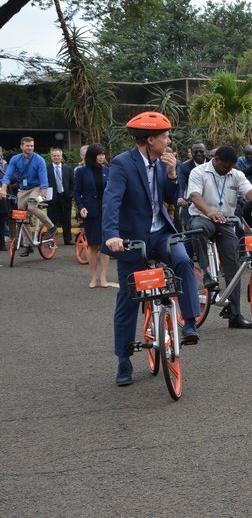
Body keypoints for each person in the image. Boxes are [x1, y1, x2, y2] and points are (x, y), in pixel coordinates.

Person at [102, 112, 201, 386]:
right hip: (133, 239)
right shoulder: (122, 164)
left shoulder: (162, 163)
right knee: (128, 299)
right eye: (165, 137)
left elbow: (171, 198)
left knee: (183, 261)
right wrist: (112, 235)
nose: (169, 141)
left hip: (161, 234)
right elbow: (111, 201)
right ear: (150, 140)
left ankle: (190, 323)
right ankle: (123, 360)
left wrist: (172, 174)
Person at [188, 146, 252, 328]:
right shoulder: (199, 172)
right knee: (197, 229)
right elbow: (195, 196)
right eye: (225, 166)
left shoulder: (236, 174)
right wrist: (209, 212)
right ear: (216, 159)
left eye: (231, 167)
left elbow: (250, 192)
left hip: (225, 222)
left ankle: (234, 314)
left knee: (234, 266)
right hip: (203, 217)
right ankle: (206, 273)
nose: (228, 170)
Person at [0, 136, 55, 256]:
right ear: (21, 146)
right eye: (27, 145)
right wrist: (3, 189)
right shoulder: (15, 159)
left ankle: (51, 227)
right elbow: (7, 175)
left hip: (36, 187)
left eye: (32, 146)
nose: (30, 148)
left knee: (31, 207)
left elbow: (44, 179)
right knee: (21, 216)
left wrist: (43, 194)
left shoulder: (39, 160)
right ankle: (28, 245)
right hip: (23, 189)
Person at [74, 143, 110, 288]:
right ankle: (94, 276)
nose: (101, 157)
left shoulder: (108, 171)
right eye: (98, 154)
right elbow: (76, 192)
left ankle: (104, 276)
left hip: (106, 211)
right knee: (93, 245)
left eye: (103, 154)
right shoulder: (82, 171)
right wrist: (81, 207)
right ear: (92, 156)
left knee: (105, 244)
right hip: (90, 211)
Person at [47, 148, 75, 245]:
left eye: (58, 155)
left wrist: (71, 194)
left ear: (61, 157)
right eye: (54, 156)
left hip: (65, 197)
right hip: (52, 197)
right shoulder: (47, 168)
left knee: (66, 219)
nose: (56, 157)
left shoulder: (68, 168)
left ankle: (68, 239)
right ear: (51, 157)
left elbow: (72, 183)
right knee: (52, 219)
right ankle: (51, 240)